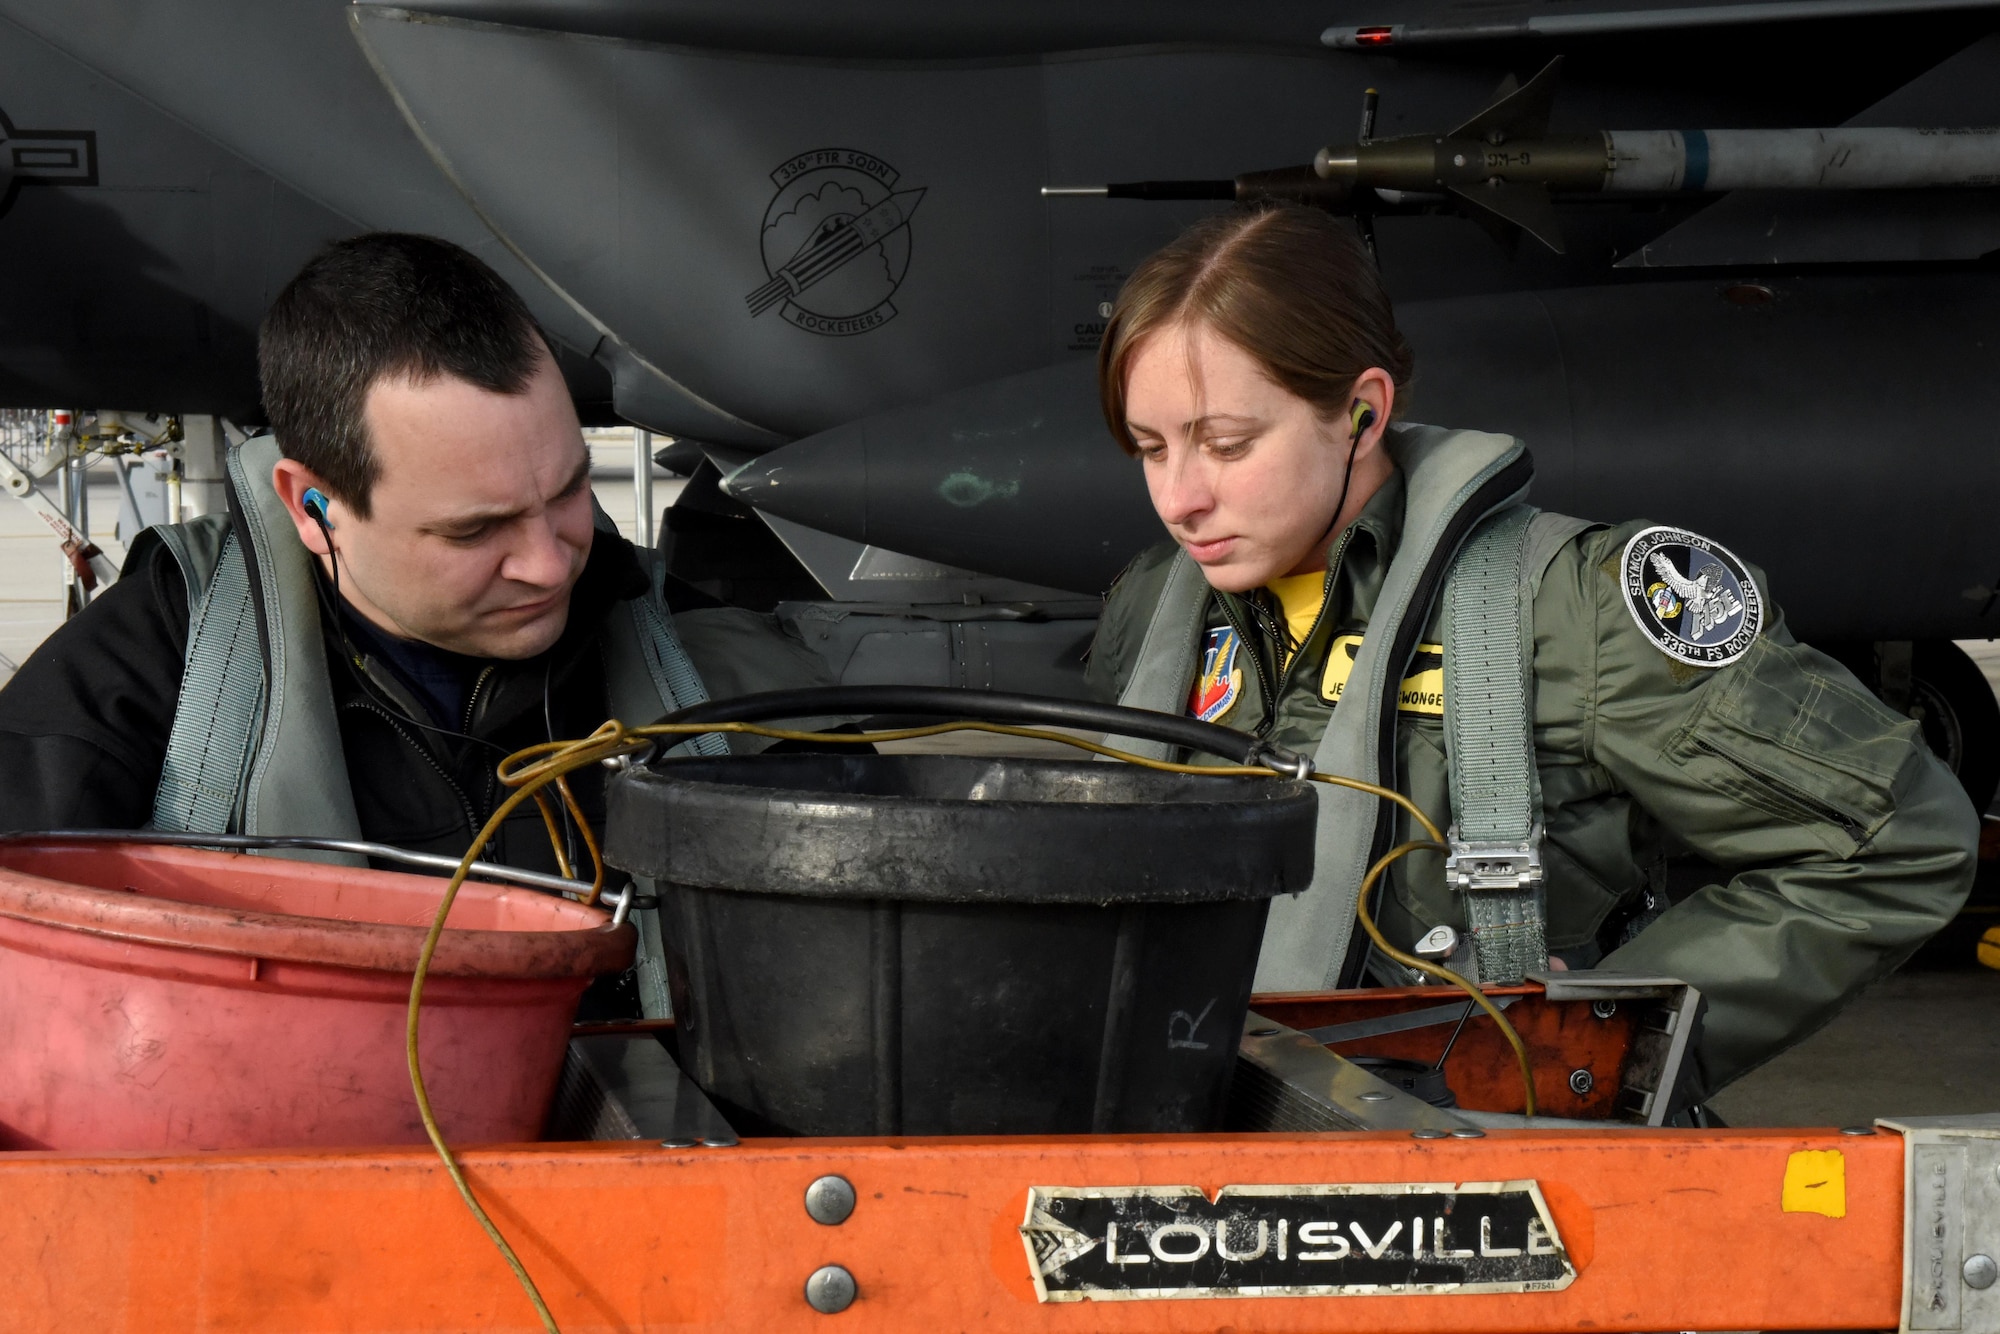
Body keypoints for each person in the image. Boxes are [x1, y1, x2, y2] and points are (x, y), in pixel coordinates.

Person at [1084, 206, 1977, 1098]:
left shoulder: (1569, 609)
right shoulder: (1155, 609)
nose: (1180, 498)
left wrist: (1585, 1049)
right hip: (1180, 1149)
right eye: (1151, 450)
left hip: (1480, 1184)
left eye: (1227, 445)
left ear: (1361, 413)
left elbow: (1896, 839)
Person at [0, 232, 834, 890]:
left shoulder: (694, 658)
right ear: (313, 508)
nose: (548, 566)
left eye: (570, 492)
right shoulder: (161, 678)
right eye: (476, 532)